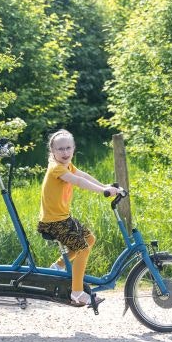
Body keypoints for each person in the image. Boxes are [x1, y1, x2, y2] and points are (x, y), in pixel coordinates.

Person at [37, 129, 122, 306]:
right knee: (82, 249)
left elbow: (82, 175)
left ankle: (59, 266)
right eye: (60, 149)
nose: (65, 152)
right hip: (53, 222)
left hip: (63, 218)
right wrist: (102, 191)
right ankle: (76, 292)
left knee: (89, 239)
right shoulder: (56, 168)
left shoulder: (67, 165)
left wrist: (104, 185)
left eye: (68, 148)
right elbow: (77, 181)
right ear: (52, 151)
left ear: (74, 148)